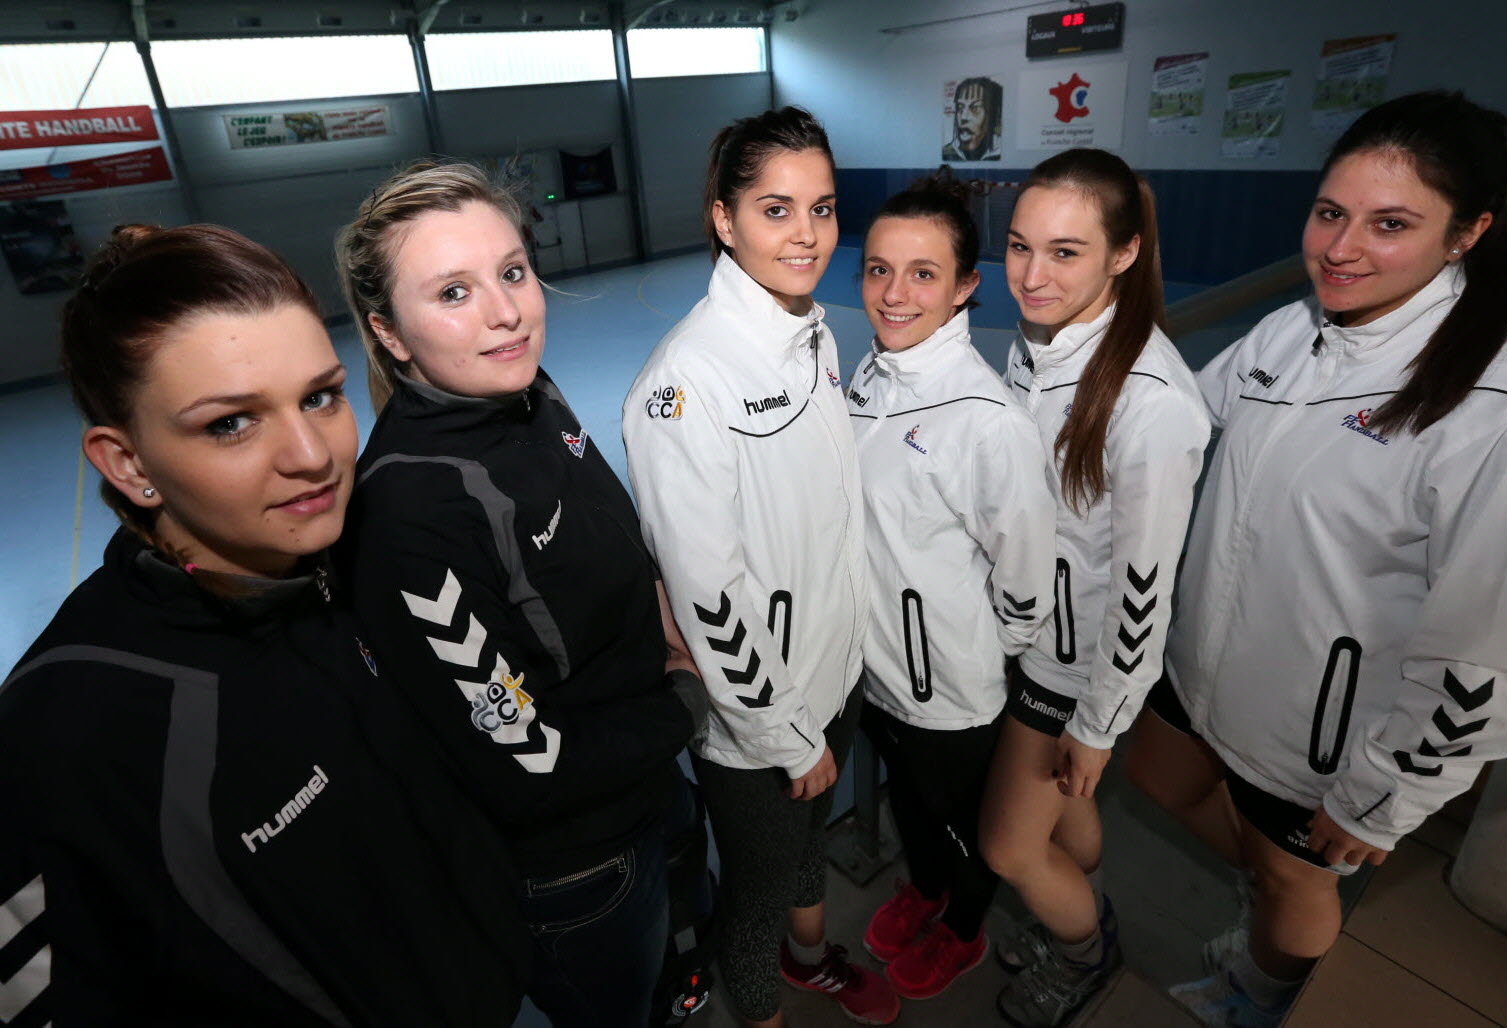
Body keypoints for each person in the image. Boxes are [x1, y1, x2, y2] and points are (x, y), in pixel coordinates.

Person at [0, 224, 531, 1025]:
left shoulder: (361, 559)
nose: (311, 456)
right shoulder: (66, 738)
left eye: (320, 396)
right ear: (129, 463)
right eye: (230, 424)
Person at [1129, 90, 1507, 1027]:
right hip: (1204, 665)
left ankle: (1258, 993)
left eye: (1391, 224)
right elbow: (1179, 421)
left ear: (1466, 234)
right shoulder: (1294, 332)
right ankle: (1269, 891)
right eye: (1329, 213)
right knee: (1158, 776)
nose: (1341, 248)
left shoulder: (1494, 412)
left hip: (1326, 731)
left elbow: (1485, 661)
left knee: (1288, 880)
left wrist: (1379, 803)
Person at [334, 161, 706, 1028]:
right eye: (454, 292)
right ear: (390, 333)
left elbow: (609, 531)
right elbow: (527, 761)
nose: (507, 311)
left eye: (511, 272)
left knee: (675, 952)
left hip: (646, 776)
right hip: (579, 864)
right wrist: (689, 701)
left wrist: (658, 616)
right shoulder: (408, 518)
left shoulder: (532, 393)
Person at [622, 107, 899, 1028]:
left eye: (822, 209)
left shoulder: (812, 332)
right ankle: (763, 1010)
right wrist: (784, 732)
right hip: (762, 720)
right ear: (723, 217)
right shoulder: (684, 383)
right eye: (776, 209)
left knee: (809, 849)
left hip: (834, 672)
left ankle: (812, 957)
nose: (809, 234)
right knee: (752, 891)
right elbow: (707, 589)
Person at [980, 148, 1211, 1028]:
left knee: (1007, 848)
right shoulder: (1038, 343)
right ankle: (1083, 907)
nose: (1032, 276)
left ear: (1123, 253)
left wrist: (1100, 723)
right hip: (1027, 638)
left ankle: (1084, 955)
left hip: (1072, 671)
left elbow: (1146, 590)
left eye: (1065, 252)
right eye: (1018, 246)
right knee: (1062, 823)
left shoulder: (1150, 403)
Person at [848, 175, 1056, 1001]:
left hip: (953, 688)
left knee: (964, 825)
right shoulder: (869, 375)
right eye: (878, 269)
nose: (895, 294)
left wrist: (973, 655)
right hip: (876, 668)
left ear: (967, 284)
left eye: (924, 273)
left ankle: (964, 929)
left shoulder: (986, 422)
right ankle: (925, 888)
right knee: (908, 804)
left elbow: (1026, 576)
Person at [943, 77, 1002, 163]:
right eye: (960, 108)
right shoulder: (948, 153)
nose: (963, 117)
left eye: (975, 108)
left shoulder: (1000, 151)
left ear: (993, 115)